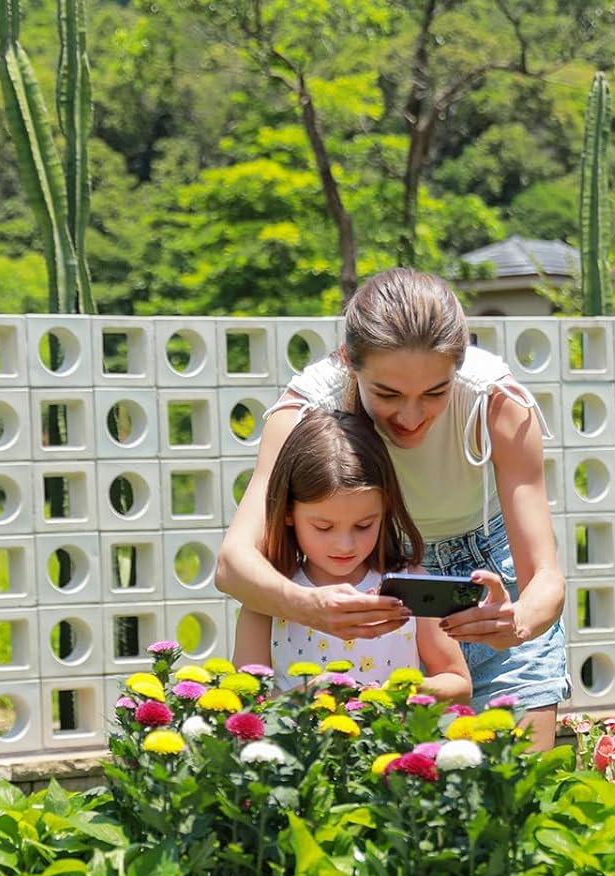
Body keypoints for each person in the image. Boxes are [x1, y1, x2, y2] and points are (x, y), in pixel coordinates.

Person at [216, 267, 568, 749]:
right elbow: (232, 564)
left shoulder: (497, 402)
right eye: (387, 394)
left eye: (435, 393)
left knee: (523, 784)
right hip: (372, 582)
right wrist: (309, 606)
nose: (410, 416)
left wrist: (520, 620)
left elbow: (545, 574)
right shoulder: (307, 406)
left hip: (487, 583)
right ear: (348, 362)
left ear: (458, 369)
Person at [232, 408, 471, 702]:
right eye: (323, 527)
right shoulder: (266, 598)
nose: (345, 545)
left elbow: (459, 683)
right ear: (289, 512)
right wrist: (309, 696)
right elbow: (244, 707)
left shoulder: (412, 585)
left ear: (386, 509)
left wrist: (402, 693)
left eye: (363, 525)